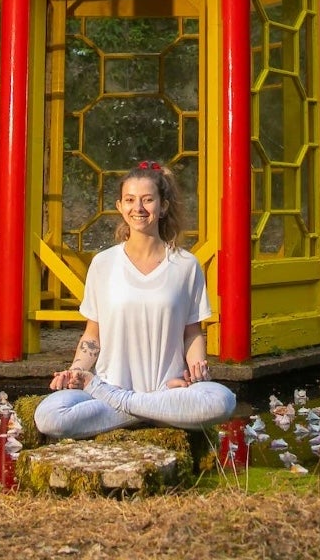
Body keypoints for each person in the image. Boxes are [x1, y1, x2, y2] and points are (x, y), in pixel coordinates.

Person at [32, 161, 238, 439]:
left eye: (147, 200)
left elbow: (192, 332)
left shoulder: (186, 265)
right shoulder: (103, 263)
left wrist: (196, 371)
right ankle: (149, 410)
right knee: (49, 416)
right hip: (112, 385)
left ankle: (126, 406)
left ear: (163, 206)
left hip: (165, 389)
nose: (138, 208)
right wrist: (77, 371)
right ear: (119, 206)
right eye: (130, 200)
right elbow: (93, 333)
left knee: (222, 400)